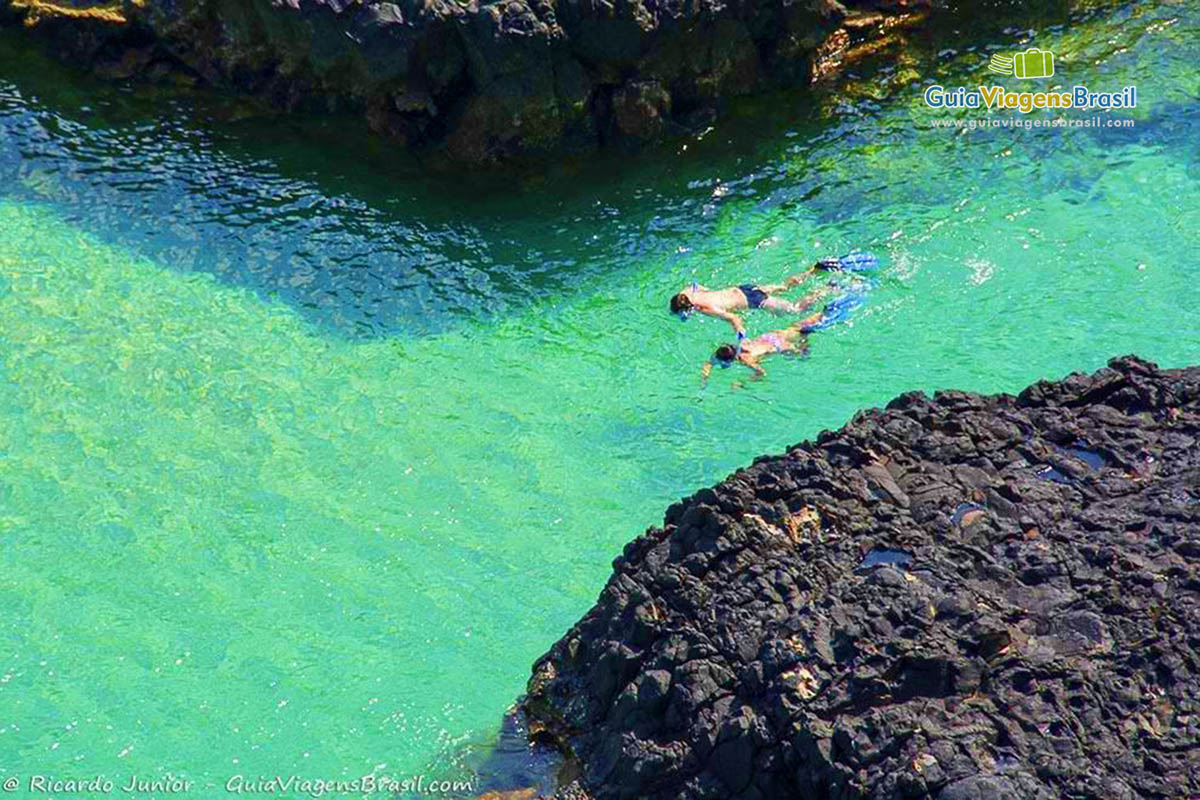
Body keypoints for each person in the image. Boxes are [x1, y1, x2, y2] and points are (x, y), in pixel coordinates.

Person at [670, 270, 830, 335]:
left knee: (795, 309)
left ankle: (826, 289)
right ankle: (813, 271)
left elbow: (734, 318)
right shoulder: (687, 292)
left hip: (754, 301)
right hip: (744, 289)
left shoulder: (704, 308)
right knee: (785, 286)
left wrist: (740, 333)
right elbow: (698, 285)